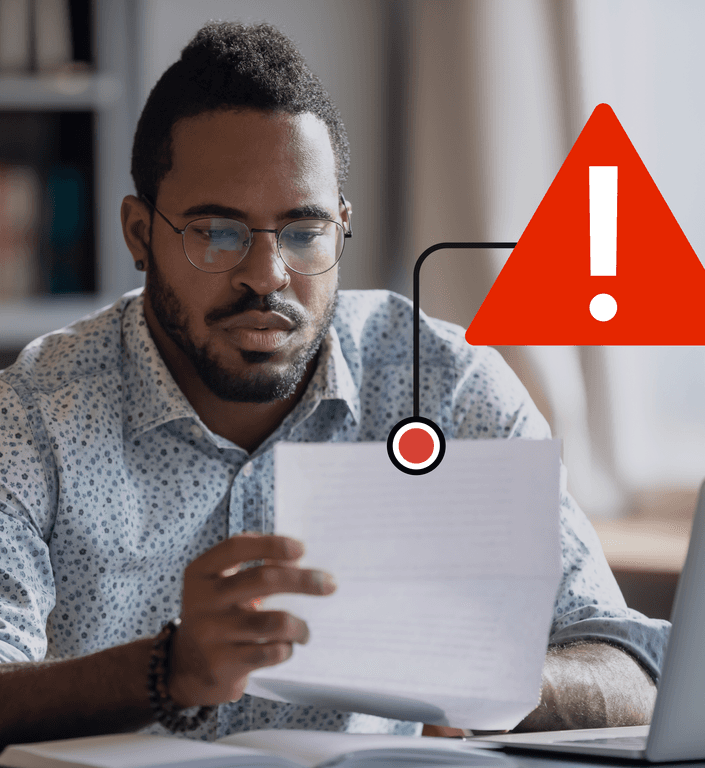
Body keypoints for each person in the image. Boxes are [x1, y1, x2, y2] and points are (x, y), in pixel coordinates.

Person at [0, 22, 668, 746]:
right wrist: (169, 671)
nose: (266, 275)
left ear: (341, 228)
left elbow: (633, 673)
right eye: (218, 231)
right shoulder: (34, 417)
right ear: (139, 233)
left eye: (302, 231)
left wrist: (493, 681)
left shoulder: (447, 387)